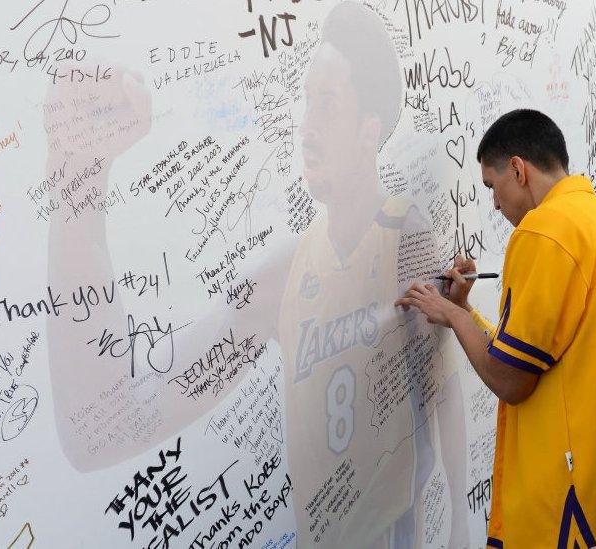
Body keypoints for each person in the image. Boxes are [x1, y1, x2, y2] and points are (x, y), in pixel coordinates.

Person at [45, 3, 469, 547]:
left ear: (369, 130)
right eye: (307, 101)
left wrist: (460, 520)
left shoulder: (405, 235)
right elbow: (99, 428)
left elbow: (443, 385)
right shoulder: (289, 272)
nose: (307, 125)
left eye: (328, 104)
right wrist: (77, 176)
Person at [396, 109, 596, 548]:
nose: (494, 204)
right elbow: (539, 350)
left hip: (575, 493)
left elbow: (511, 380)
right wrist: (466, 310)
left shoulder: (544, 232)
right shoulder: (591, 217)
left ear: (517, 169)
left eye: (492, 187)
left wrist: (451, 316)